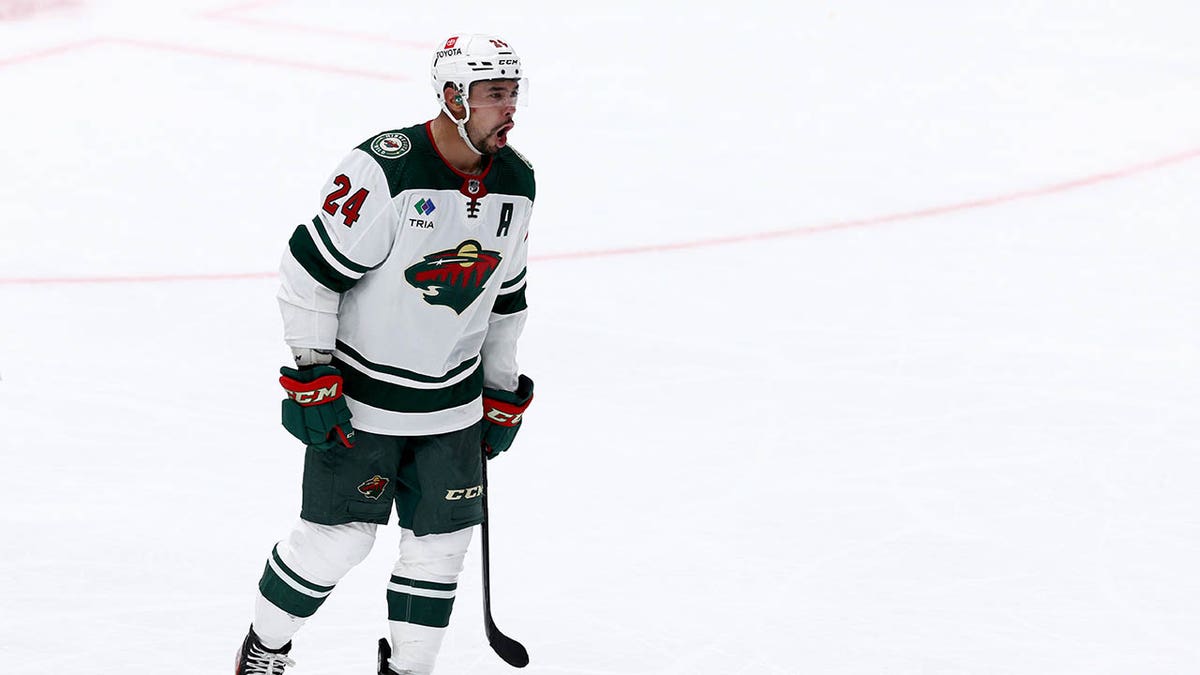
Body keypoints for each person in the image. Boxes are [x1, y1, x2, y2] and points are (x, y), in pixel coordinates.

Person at [234, 34, 536, 675]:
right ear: (454, 97)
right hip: (363, 402)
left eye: (513, 93)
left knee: (441, 546)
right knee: (337, 542)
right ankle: (266, 649)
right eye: (493, 96)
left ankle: (407, 669)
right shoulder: (385, 168)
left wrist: (503, 391)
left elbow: (506, 298)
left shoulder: (517, 180)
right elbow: (309, 271)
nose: (508, 109)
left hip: (451, 404)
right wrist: (311, 371)